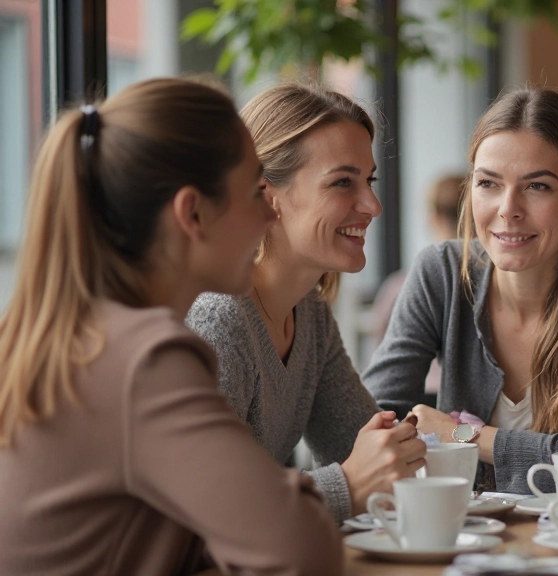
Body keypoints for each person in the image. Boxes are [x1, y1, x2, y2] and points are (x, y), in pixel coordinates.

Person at [0, 79, 341, 574]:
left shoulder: (66, 333)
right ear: (193, 213)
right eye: (254, 191)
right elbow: (303, 547)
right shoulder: (145, 359)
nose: (272, 213)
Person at [362, 87, 558, 494]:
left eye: (537, 186)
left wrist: (465, 435)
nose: (508, 208)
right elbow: (373, 425)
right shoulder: (440, 272)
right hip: (464, 542)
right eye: (488, 183)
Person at [186, 84, 425, 524]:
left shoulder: (309, 313)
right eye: (342, 182)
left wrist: (409, 448)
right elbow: (202, 509)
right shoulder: (217, 320)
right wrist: (348, 486)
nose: (373, 205)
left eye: (368, 180)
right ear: (265, 196)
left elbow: (362, 444)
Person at [369, 174, 465, 395]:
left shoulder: (401, 286)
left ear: (433, 216)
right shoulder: (500, 285)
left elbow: (383, 361)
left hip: (417, 402)